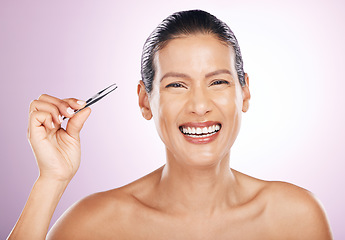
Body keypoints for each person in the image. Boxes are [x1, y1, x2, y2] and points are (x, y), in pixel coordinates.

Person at [8, 9, 332, 239]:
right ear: (144, 100)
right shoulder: (93, 224)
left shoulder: (296, 217)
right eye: (177, 85)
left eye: (218, 82)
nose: (200, 105)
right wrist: (51, 180)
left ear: (244, 92)